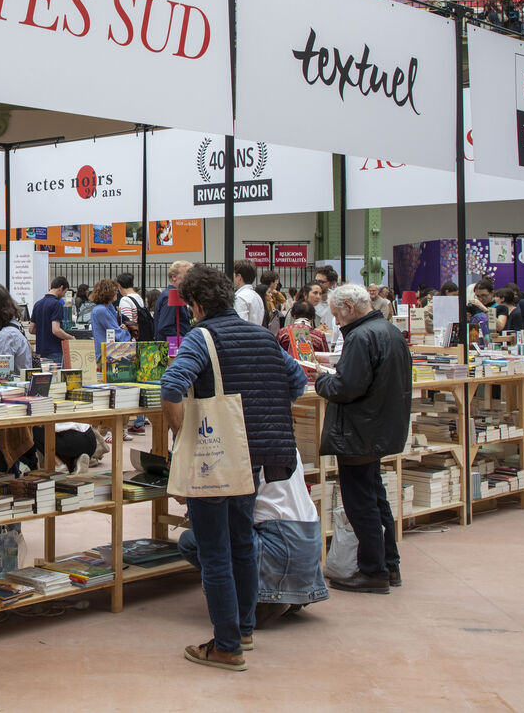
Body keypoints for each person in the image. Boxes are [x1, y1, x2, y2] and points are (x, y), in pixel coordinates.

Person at [159, 264, 306, 672]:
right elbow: (297, 382)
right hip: (252, 456)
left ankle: (226, 646)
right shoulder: (263, 335)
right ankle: (244, 630)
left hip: (214, 456)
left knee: (214, 550)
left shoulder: (202, 336)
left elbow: (172, 385)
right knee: (242, 542)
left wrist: (181, 432)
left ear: (196, 304)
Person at [315, 283, 412, 594]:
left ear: (349, 307)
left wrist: (321, 381)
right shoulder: (390, 331)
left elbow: (348, 387)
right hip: (379, 426)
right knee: (375, 495)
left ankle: (372, 571)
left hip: (359, 430)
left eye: (337, 315)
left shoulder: (360, 336)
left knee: (360, 502)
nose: (336, 322)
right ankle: (389, 564)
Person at [179, 450, 328, 627]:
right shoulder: (286, 443)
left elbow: (225, 513)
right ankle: (289, 593)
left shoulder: (239, 449)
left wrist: (190, 495)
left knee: (192, 541)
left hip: (279, 541)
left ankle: (261, 600)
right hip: (309, 539)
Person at [31, 276, 73, 365]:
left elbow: (31, 329)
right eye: (65, 292)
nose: (63, 295)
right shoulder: (56, 304)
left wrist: (44, 331)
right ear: (61, 287)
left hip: (41, 351)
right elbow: (56, 330)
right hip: (55, 350)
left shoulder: (37, 304)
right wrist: (71, 338)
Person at [152, 261, 194, 345]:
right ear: (174, 277)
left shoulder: (172, 294)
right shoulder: (170, 296)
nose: (191, 279)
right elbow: (165, 327)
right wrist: (184, 342)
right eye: (187, 276)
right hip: (172, 347)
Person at [90, 278, 129, 362]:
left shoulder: (106, 308)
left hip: (108, 353)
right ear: (107, 292)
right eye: (114, 290)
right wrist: (127, 332)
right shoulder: (101, 310)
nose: (117, 293)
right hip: (107, 355)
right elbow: (116, 332)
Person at [233, 260, 265, 325]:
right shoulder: (257, 296)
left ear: (239, 277)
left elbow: (240, 325)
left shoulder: (240, 297)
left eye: (233, 275)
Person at [116, 272, 147, 337]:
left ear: (119, 286)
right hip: (140, 334)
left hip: (131, 337)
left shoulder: (125, 300)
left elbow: (128, 323)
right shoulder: (139, 298)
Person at [313, 266, 338, 330]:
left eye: (321, 282)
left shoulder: (337, 300)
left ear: (332, 283)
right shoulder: (307, 300)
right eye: (316, 281)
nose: (317, 284)